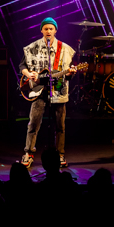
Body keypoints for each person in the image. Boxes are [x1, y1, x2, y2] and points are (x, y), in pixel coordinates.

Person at [19, 17, 77, 168]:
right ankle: (28, 153)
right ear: (42, 30)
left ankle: (60, 154)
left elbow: (68, 76)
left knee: (60, 126)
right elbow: (22, 66)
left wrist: (70, 73)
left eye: (51, 28)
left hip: (57, 91)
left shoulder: (65, 49)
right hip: (38, 91)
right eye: (46, 28)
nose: (49, 31)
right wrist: (28, 74)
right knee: (33, 124)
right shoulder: (33, 47)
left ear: (56, 30)